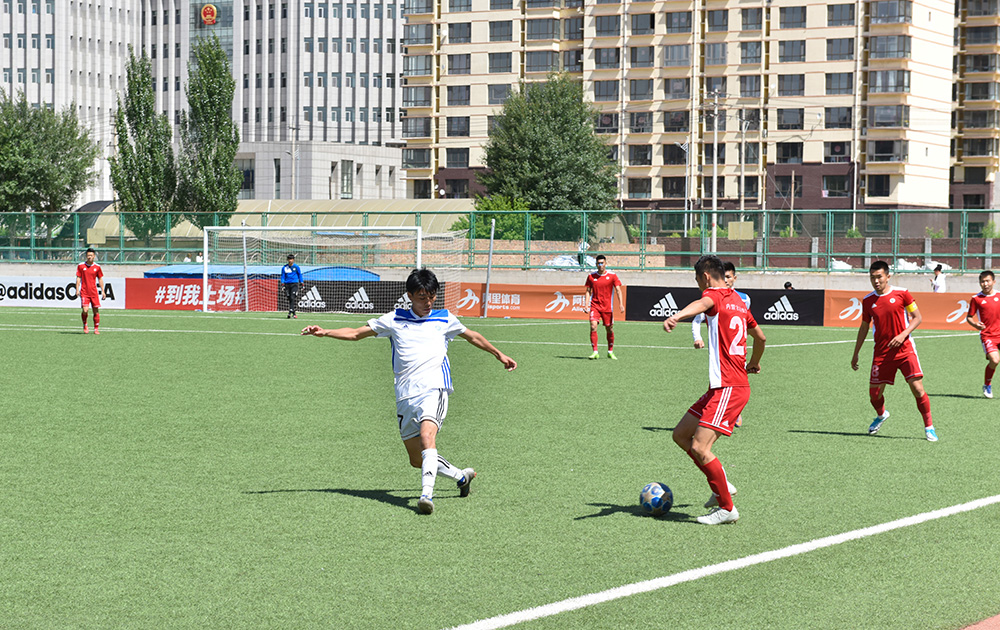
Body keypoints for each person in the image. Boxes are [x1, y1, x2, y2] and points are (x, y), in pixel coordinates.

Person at [301, 268, 517, 515]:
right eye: (422, 297)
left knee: (427, 437)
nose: (428, 302)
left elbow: (473, 337)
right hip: (405, 395)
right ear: (410, 296)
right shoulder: (394, 319)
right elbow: (356, 333)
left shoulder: (444, 318)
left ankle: (426, 496)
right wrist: (325, 332)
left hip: (434, 389)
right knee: (417, 459)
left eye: (432, 297)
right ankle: (461, 476)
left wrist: (499, 354)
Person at [663, 255, 766, 525]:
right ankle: (722, 484)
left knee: (700, 446)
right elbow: (761, 337)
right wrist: (754, 362)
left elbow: (702, 303)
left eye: (698, 279)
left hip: (729, 387)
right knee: (681, 435)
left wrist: (677, 316)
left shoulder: (714, 295)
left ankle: (727, 508)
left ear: (706, 277)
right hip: (722, 386)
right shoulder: (739, 302)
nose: (699, 285)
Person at [851, 261, 937, 441]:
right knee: (874, 396)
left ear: (888, 276)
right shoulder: (868, 301)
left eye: (879, 277)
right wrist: (856, 352)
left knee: (918, 389)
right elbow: (864, 326)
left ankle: (929, 427)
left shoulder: (902, 293)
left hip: (905, 350)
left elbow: (917, 317)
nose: (876, 281)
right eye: (872, 277)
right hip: (882, 353)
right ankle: (882, 414)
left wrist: (903, 334)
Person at [692, 261, 751, 428]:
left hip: (737, 351)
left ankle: (730, 413)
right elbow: (698, 318)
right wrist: (697, 337)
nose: (726, 280)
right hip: (722, 349)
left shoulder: (744, 299)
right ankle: (718, 414)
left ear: (734, 278)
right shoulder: (713, 297)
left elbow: (749, 325)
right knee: (718, 381)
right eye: (723, 276)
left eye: (729, 277)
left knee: (731, 383)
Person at [966, 270, 1000, 399]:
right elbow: (969, 317)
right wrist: (975, 325)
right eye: (982, 281)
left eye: (987, 281)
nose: (985, 284)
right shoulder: (976, 299)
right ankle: (987, 384)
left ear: (994, 282)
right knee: (995, 360)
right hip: (988, 335)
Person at [585, 254, 625, 360]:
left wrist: (621, 304)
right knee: (593, 326)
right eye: (598, 263)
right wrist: (586, 304)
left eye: (602, 263)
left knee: (609, 329)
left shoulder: (612, 276)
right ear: (596, 264)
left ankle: (610, 351)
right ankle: (595, 352)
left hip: (607, 308)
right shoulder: (591, 276)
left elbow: (618, 290)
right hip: (595, 306)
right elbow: (588, 291)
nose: (600, 265)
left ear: (606, 263)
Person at [76, 247, 105, 335]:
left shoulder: (97, 267)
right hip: (84, 292)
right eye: (88, 255)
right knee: (85, 310)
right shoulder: (81, 266)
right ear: (86, 256)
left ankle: (96, 328)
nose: (89, 257)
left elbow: (100, 279)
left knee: (95, 310)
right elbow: (78, 278)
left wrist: (103, 291)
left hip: (94, 292)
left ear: (94, 256)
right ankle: (85, 325)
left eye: (91, 255)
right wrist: (77, 289)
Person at [281, 253, 303, 318]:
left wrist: (302, 283)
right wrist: (282, 284)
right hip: (287, 284)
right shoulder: (284, 267)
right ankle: (294, 313)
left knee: (292, 297)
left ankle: (290, 312)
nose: (290, 260)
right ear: (287, 260)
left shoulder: (296, 267)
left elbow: (300, 275)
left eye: (291, 259)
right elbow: (283, 276)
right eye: (289, 259)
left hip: (294, 284)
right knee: (289, 298)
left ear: (293, 260)